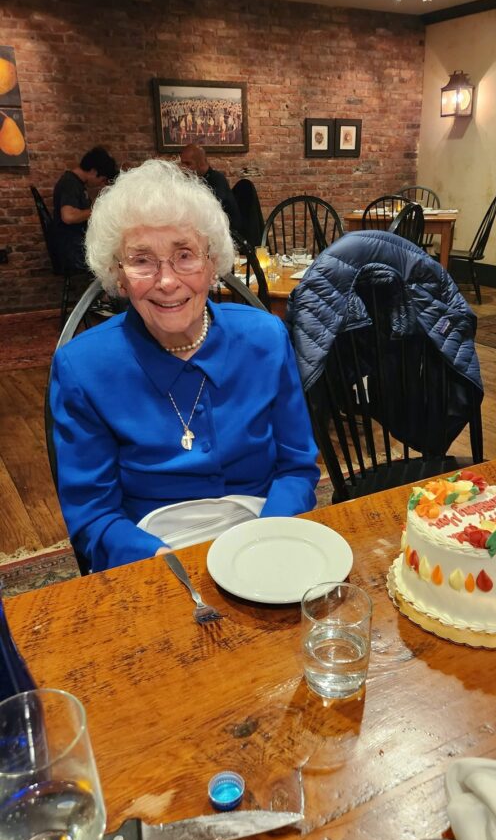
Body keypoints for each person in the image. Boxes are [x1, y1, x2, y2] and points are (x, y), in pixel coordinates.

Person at [49, 158, 320, 572]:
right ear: (118, 275)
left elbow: (297, 468)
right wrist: (165, 564)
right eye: (141, 260)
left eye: (185, 255)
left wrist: (268, 538)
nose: (168, 281)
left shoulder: (266, 338)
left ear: (213, 265)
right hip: (152, 554)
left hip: (267, 534)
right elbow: (94, 518)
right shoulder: (83, 368)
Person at [53, 146, 118, 273]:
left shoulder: (76, 183)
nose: (101, 183)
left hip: (74, 246)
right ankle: (111, 291)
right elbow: (68, 216)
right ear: (94, 171)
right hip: (72, 251)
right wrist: (98, 210)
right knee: (116, 256)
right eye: (102, 179)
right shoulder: (70, 183)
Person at [180, 144, 244, 237]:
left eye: (188, 164)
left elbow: (208, 212)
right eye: (182, 163)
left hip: (227, 236)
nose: (183, 168)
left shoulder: (217, 180)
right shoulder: (193, 180)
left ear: (201, 163)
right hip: (206, 232)